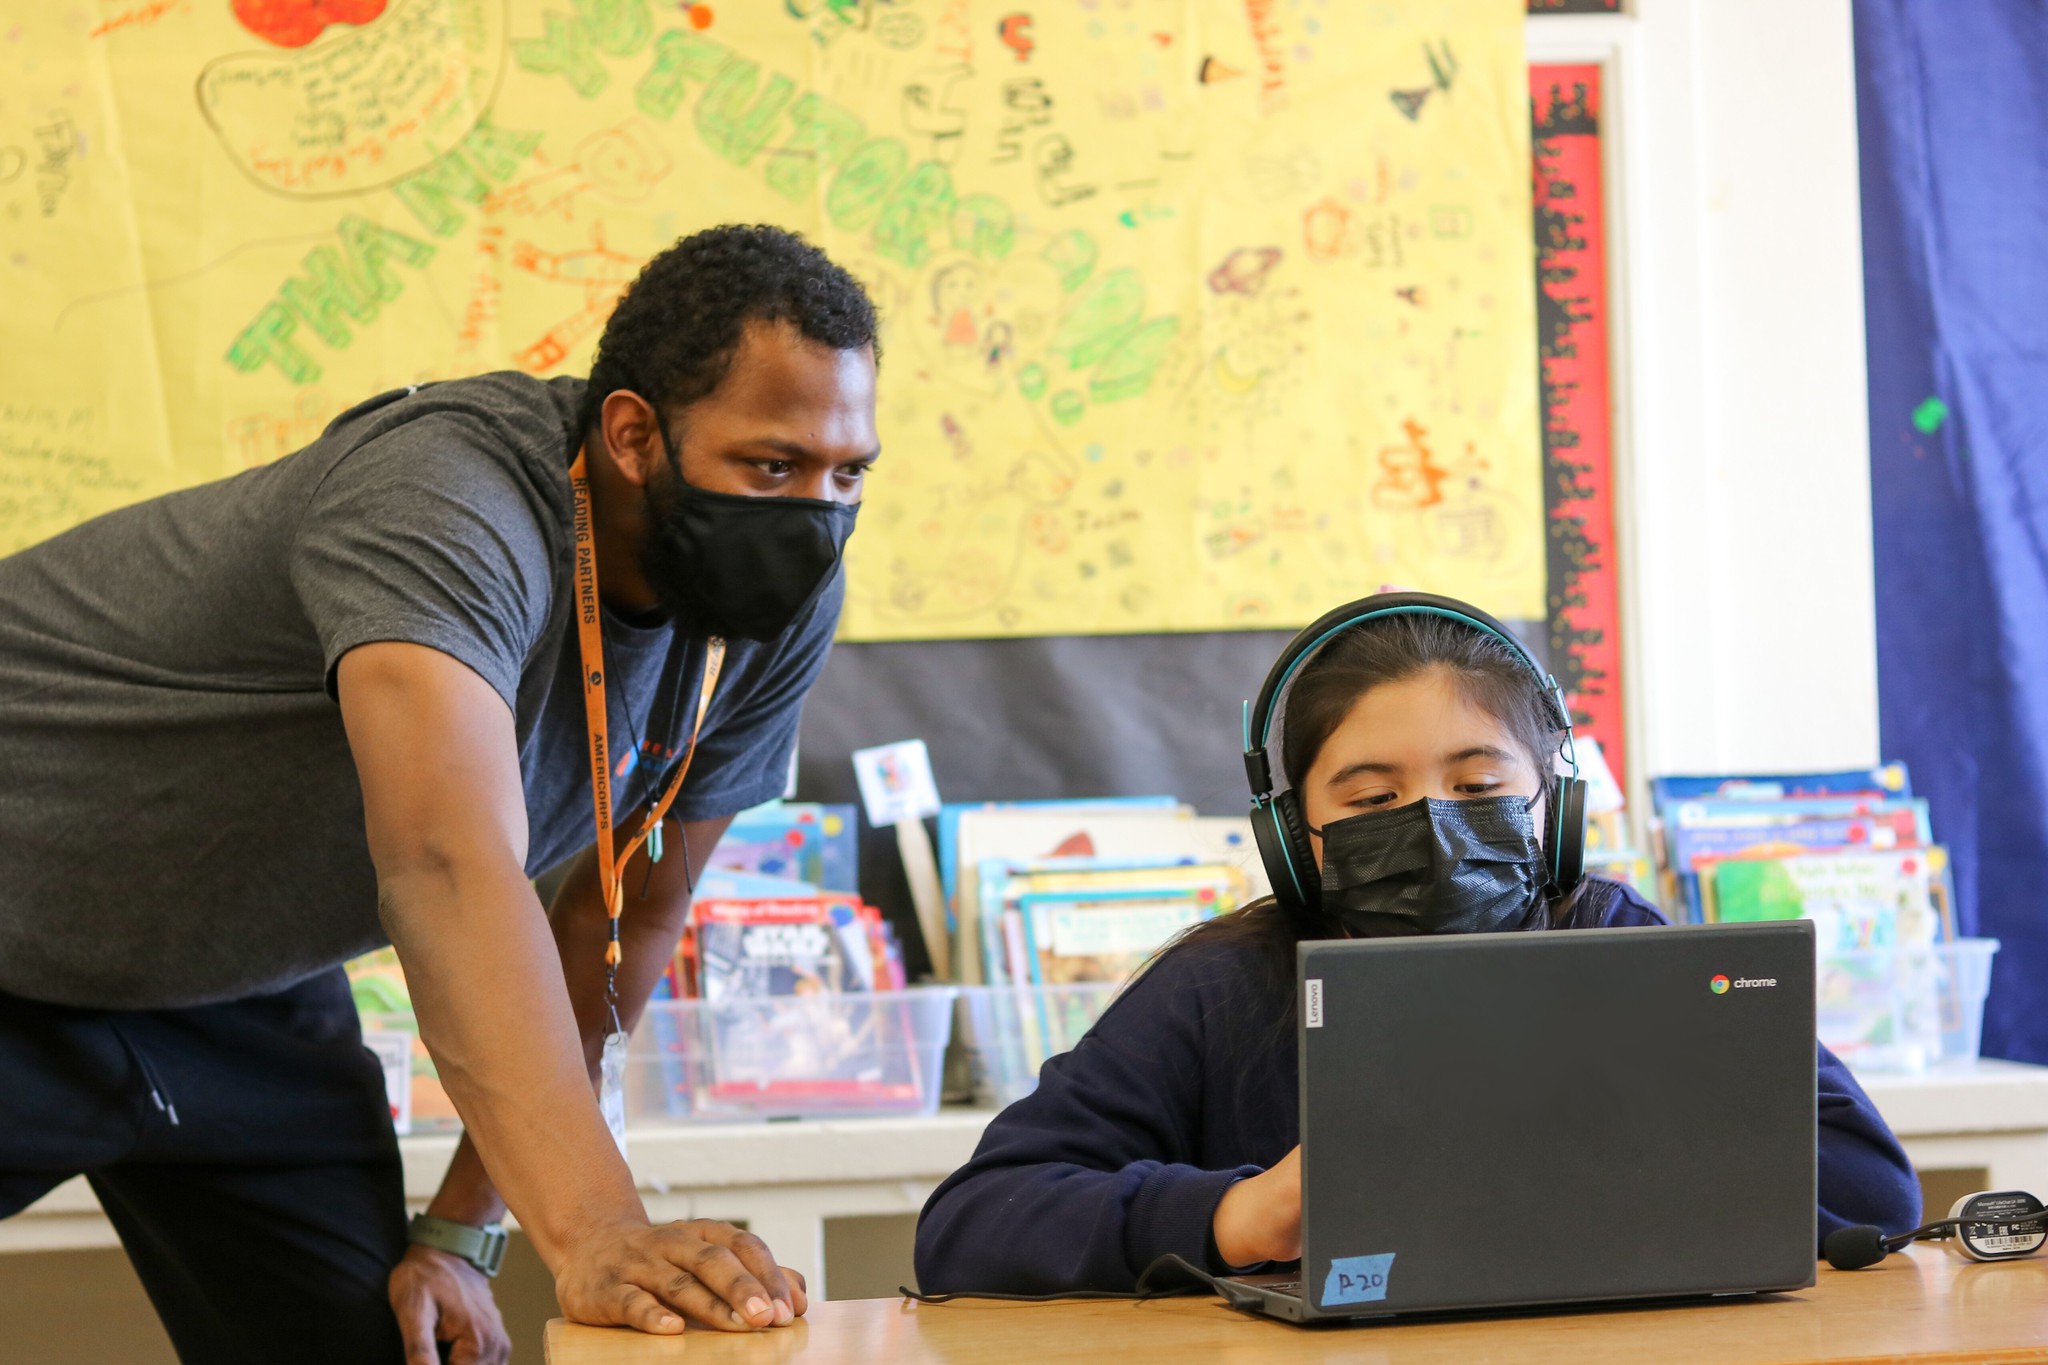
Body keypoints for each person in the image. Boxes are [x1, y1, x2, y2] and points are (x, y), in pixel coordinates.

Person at [0, 224, 880, 1362]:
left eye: (845, 472)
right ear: (630, 434)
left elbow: (620, 918)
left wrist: (468, 1229)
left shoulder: (770, 606)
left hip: (232, 987)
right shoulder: (446, 498)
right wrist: (597, 1227)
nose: (813, 510)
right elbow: (447, 864)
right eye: (769, 466)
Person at [913, 605, 1922, 1293]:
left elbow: (1870, 1194)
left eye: (1478, 789)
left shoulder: (1616, 944)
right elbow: (970, 1224)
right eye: (1369, 797)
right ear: (1291, 838)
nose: (1432, 826)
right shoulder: (1217, 988)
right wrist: (1232, 1218)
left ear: (1554, 813)